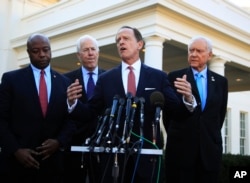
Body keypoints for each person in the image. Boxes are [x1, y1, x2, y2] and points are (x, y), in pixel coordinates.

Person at [66, 26, 194, 183]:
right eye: (118, 40)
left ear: (139, 44)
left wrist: (188, 99)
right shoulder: (106, 79)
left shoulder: (158, 77)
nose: (121, 42)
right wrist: (73, 103)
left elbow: (176, 112)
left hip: (147, 157)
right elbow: (89, 113)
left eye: (126, 38)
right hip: (114, 157)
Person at [0, 33, 75, 183]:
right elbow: (1, 119)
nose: (42, 54)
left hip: (52, 166)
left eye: (46, 50)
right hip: (17, 166)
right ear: (28, 52)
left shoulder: (65, 82)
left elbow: (71, 119)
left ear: (51, 50)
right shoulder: (11, 80)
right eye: (36, 51)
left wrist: (59, 142)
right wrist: (16, 150)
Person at [164, 35, 228, 183]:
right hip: (181, 153)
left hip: (209, 153)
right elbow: (168, 116)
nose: (193, 54)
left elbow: (219, 116)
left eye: (199, 51)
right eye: (191, 50)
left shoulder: (221, 82)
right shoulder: (175, 77)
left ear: (209, 55)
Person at [63, 35, 105, 183]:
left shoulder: (109, 78)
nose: (90, 53)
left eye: (93, 49)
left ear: (98, 52)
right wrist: (70, 102)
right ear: (78, 55)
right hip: (74, 145)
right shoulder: (66, 80)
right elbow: (63, 114)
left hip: (102, 146)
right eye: (86, 50)